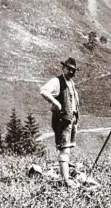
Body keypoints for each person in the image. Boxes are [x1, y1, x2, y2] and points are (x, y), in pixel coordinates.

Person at [40, 57, 80, 187]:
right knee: (64, 150)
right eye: (69, 69)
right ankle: (66, 180)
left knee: (67, 148)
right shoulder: (57, 81)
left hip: (70, 119)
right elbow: (44, 91)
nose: (71, 72)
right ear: (63, 68)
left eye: (73, 70)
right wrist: (56, 103)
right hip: (62, 120)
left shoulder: (71, 83)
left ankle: (66, 174)